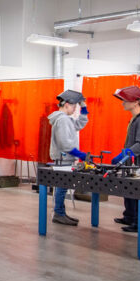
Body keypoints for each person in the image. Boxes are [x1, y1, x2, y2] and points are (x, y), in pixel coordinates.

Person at [111, 85, 140, 234]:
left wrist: (123, 155)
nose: (123, 103)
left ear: (136, 102)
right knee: (128, 190)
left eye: (125, 100)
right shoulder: (134, 120)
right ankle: (129, 216)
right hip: (132, 164)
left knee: (139, 194)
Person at [47, 89, 89, 226]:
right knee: (62, 187)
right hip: (63, 159)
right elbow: (64, 144)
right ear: (66, 105)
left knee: (63, 187)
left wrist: (84, 108)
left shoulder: (66, 119)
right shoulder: (63, 120)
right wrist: (80, 154)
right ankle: (59, 214)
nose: (75, 109)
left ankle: (61, 212)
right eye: (74, 106)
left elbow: (79, 124)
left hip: (65, 159)